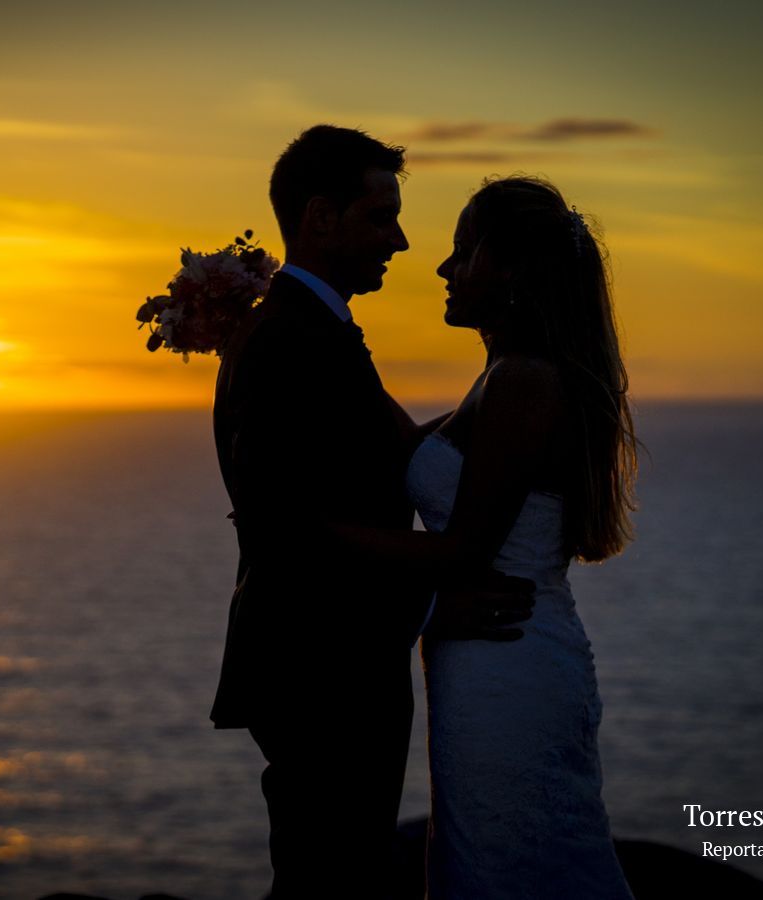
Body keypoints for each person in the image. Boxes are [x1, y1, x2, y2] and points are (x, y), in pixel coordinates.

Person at [210, 126, 534, 898]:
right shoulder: (293, 339)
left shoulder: (309, 329)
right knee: (331, 883)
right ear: (320, 218)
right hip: (322, 672)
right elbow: (291, 529)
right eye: (380, 216)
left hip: (325, 664)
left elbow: (356, 474)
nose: (400, 240)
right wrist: (437, 589)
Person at [409, 175, 639, 897]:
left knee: (509, 866)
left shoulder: (523, 383)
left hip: (508, 665)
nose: (446, 270)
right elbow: (397, 446)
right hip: (492, 660)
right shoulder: (500, 377)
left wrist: (320, 536)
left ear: (507, 270)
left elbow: (461, 554)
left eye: (463, 252)